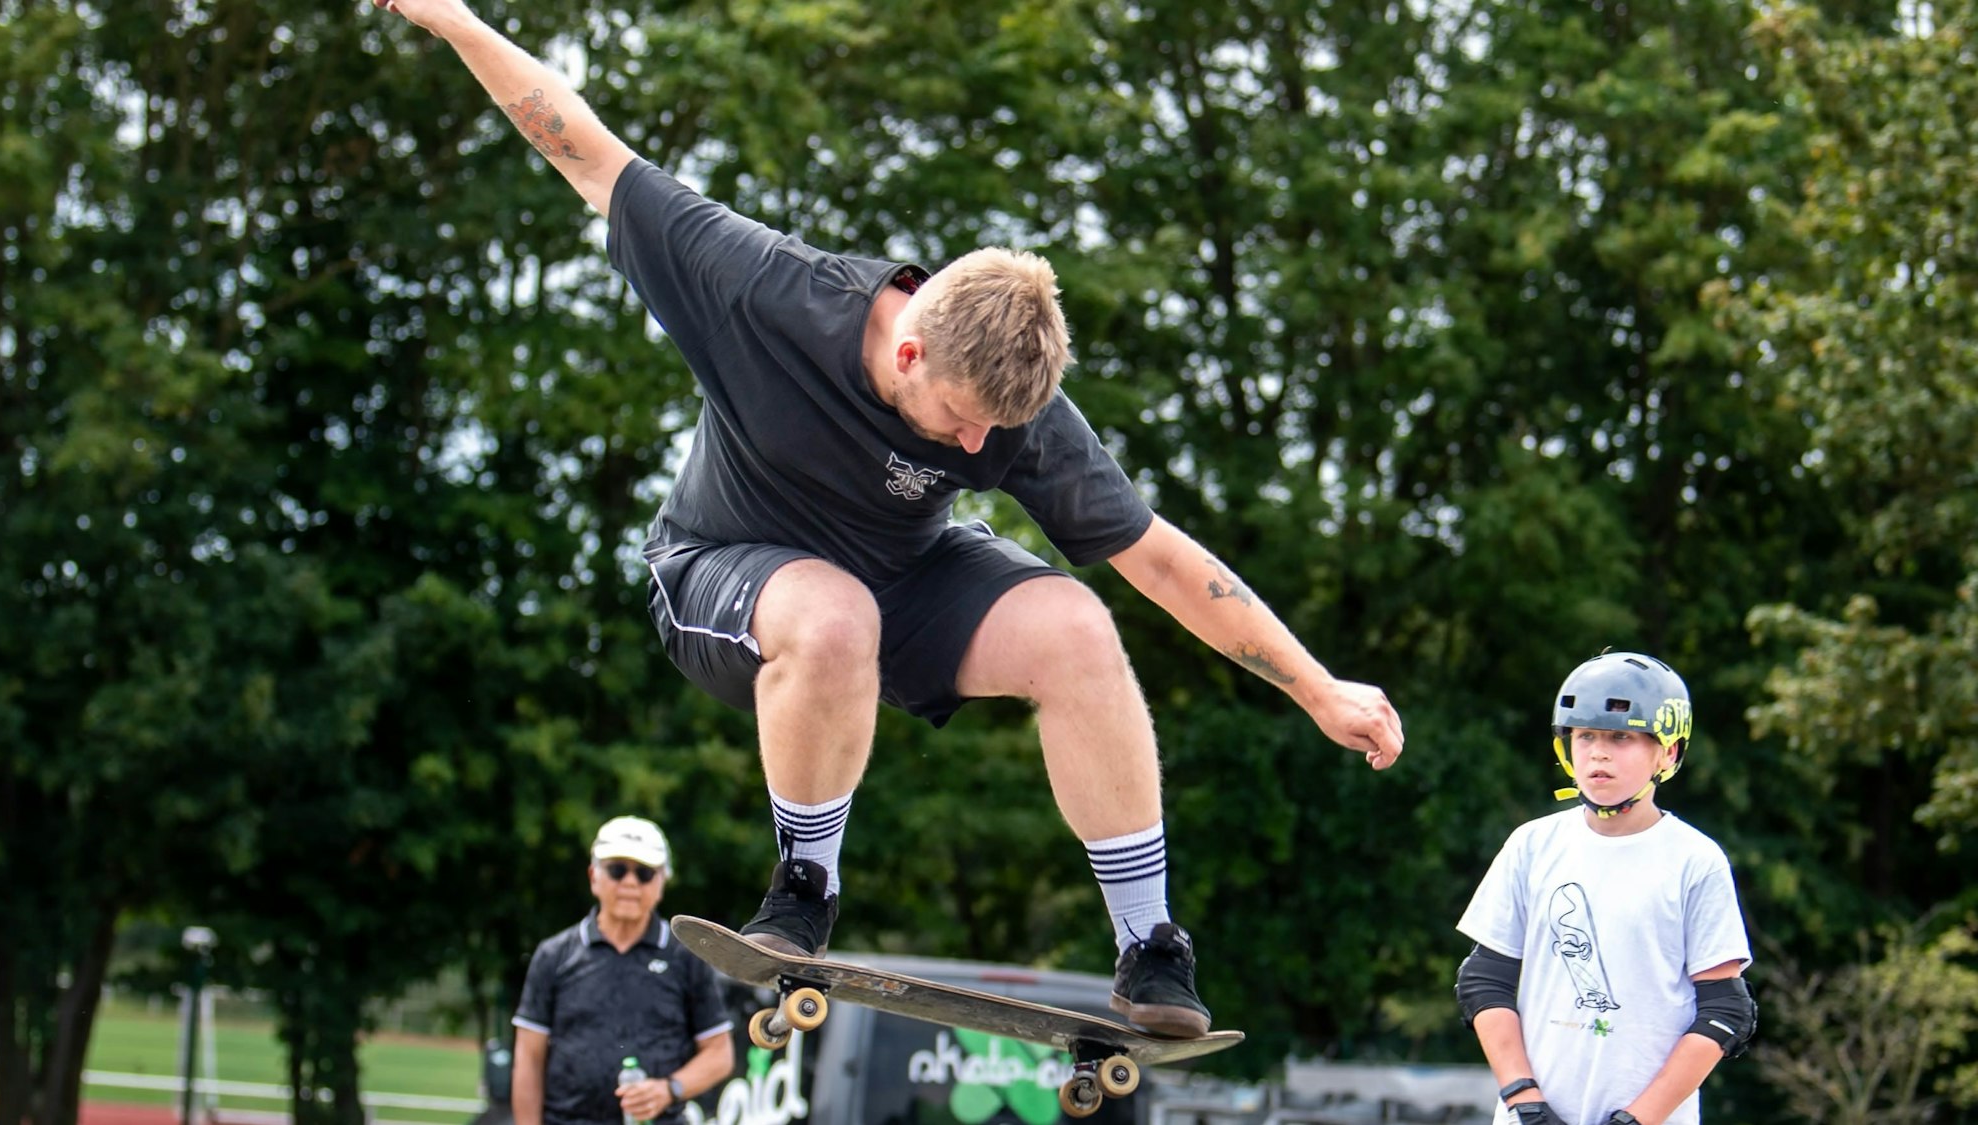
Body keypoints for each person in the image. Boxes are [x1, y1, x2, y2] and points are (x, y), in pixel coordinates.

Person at [374, 0, 1405, 1038]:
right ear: (907, 352)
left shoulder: (1019, 411)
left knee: (1078, 628)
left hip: (902, 579)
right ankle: (804, 889)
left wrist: (1316, 689)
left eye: (990, 436)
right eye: (961, 425)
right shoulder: (757, 288)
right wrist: (453, 20)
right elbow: (583, 148)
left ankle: (1148, 944)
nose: (973, 453)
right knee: (830, 617)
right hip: (723, 571)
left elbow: (1162, 563)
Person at [1452, 652, 1757, 1125]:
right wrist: (1524, 1099)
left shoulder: (1695, 861)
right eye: (1585, 735)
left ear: (1668, 752)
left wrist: (1636, 1120)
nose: (1598, 752)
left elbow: (1724, 1011)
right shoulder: (1532, 845)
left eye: (1621, 737)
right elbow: (1483, 983)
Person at [512, 817, 733, 1125]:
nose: (630, 882)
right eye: (617, 870)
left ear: (661, 883)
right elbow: (529, 1058)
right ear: (593, 876)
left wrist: (669, 1089)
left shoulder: (687, 958)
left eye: (644, 873)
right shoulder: (554, 954)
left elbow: (719, 1054)